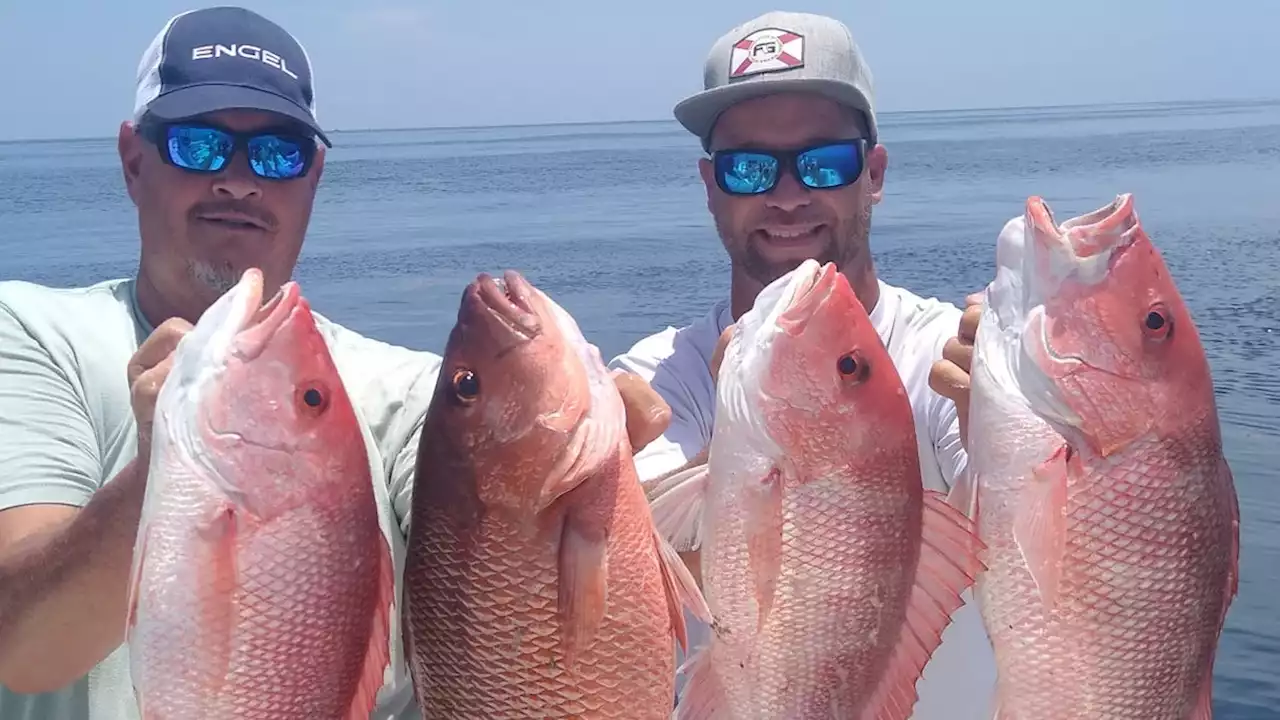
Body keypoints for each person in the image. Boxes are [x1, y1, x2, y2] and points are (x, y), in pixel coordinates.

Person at [0, 7, 671, 720]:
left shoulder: (404, 389)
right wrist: (163, 474)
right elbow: (25, 646)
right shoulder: (33, 331)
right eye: (199, 146)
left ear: (313, 175)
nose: (238, 180)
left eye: (277, 153)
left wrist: (565, 481)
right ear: (134, 161)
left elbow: (500, 575)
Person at [607, 10, 992, 719]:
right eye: (748, 167)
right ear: (710, 186)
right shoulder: (660, 377)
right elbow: (635, 588)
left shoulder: (952, 363)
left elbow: (1031, 548)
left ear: (873, 174)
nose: (787, 194)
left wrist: (1013, 444)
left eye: (825, 162)